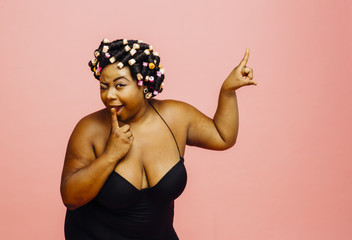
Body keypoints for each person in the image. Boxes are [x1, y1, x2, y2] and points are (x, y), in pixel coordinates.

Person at [60, 38, 256, 240]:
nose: (109, 95)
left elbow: (223, 137)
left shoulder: (175, 117)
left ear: (143, 85)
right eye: (103, 86)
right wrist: (110, 155)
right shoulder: (90, 129)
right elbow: (70, 198)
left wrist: (228, 91)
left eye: (120, 85)